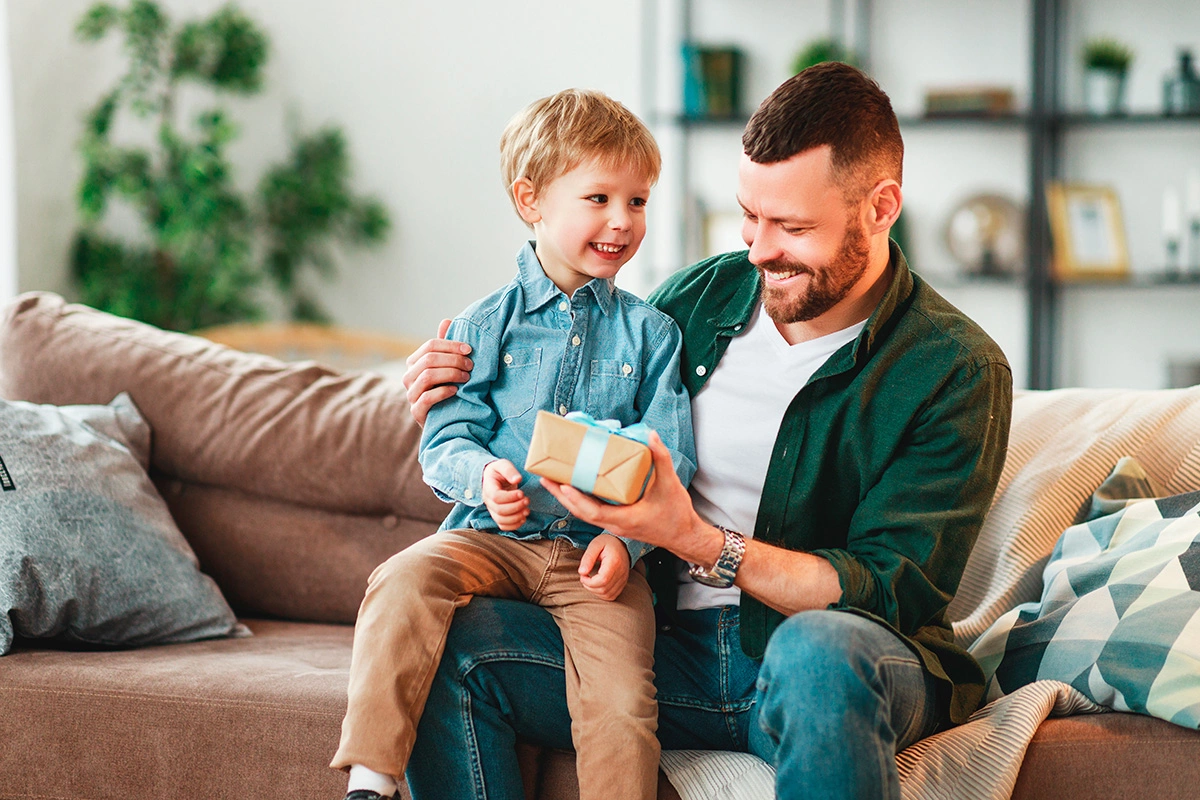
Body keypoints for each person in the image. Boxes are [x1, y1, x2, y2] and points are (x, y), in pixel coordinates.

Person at [401, 62, 1014, 800]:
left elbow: (886, 592)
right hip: (662, 651)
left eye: (791, 227)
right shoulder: (697, 299)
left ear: (881, 209)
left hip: (831, 657)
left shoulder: (954, 369)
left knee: (819, 652)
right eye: (749, 217)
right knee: (445, 640)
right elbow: (556, 369)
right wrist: (452, 380)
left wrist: (693, 538)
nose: (757, 251)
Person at [330, 89, 696, 800]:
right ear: (532, 201)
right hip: (490, 540)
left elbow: (670, 459)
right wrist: (486, 474)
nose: (622, 221)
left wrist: (630, 545)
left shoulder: (653, 335)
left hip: (599, 556)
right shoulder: (482, 324)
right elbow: (447, 440)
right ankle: (370, 782)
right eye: (599, 198)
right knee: (402, 577)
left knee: (621, 704)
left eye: (639, 201)